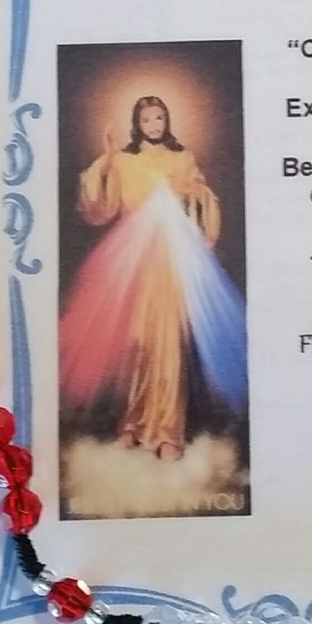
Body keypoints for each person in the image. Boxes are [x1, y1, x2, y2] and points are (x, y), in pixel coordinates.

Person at [59, 93, 246, 458]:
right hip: (133, 261)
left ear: (167, 121)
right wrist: (109, 156)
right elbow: (100, 206)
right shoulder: (126, 162)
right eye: (147, 120)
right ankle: (132, 423)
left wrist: (195, 194)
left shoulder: (181, 158)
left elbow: (202, 200)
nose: (154, 126)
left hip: (170, 259)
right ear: (137, 124)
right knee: (136, 345)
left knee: (167, 345)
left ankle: (166, 432)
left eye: (159, 119)